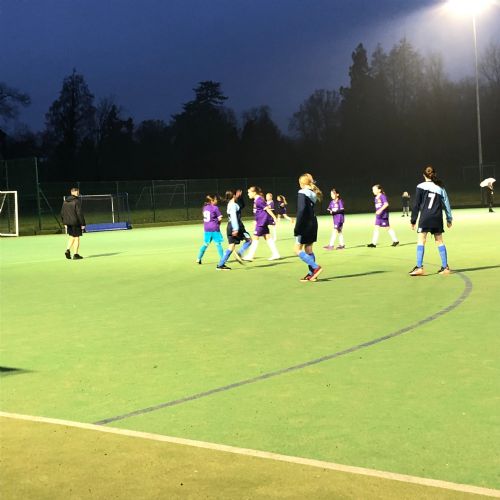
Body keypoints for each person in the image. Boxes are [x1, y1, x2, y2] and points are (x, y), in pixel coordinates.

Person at [409, 165, 452, 276]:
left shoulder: (420, 186)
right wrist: (449, 218)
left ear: (424, 175)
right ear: (434, 174)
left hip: (425, 217)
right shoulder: (440, 187)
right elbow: (446, 203)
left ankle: (419, 267)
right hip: (437, 218)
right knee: (439, 241)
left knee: (421, 240)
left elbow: (416, 205)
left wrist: (413, 220)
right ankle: (445, 267)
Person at [294, 173, 323, 282]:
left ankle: (316, 267)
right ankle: (312, 274)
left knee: (297, 250)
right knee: (308, 248)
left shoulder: (302, 192)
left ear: (301, 183)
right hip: (313, 222)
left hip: (305, 223)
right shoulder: (313, 193)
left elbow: (301, 210)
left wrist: (297, 227)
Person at [216, 189, 252, 271]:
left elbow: (242, 206)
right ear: (234, 195)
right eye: (237, 194)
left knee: (231, 246)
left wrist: (240, 197)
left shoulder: (231, 204)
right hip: (236, 226)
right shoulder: (233, 205)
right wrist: (236, 229)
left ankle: (220, 265)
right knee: (249, 240)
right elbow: (234, 217)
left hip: (230, 226)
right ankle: (239, 253)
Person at [242, 186, 280, 261]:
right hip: (261, 221)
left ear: (254, 192)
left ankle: (250, 256)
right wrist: (255, 220)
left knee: (255, 237)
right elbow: (258, 212)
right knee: (267, 237)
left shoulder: (259, 200)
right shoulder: (256, 200)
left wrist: (274, 218)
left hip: (261, 222)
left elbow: (267, 209)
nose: (248, 194)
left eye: (249, 192)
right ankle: (276, 254)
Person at [196, 195, 224, 264]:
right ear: (212, 201)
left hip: (206, 228)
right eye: (215, 199)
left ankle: (198, 258)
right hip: (214, 228)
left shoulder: (204, 208)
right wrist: (218, 224)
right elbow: (220, 218)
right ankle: (223, 259)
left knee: (205, 244)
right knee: (218, 244)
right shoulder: (215, 208)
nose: (217, 201)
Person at [61, 187, 86, 260]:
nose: (78, 193)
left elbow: (62, 212)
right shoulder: (76, 201)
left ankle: (67, 250)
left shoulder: (65, 201)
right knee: (77, 237)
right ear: (73, 192)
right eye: (77, 192)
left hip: (68, 222)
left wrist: (64, 222)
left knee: (72, 236)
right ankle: (76, 254)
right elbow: (79, 213)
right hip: (75, 222)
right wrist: (83, 224)